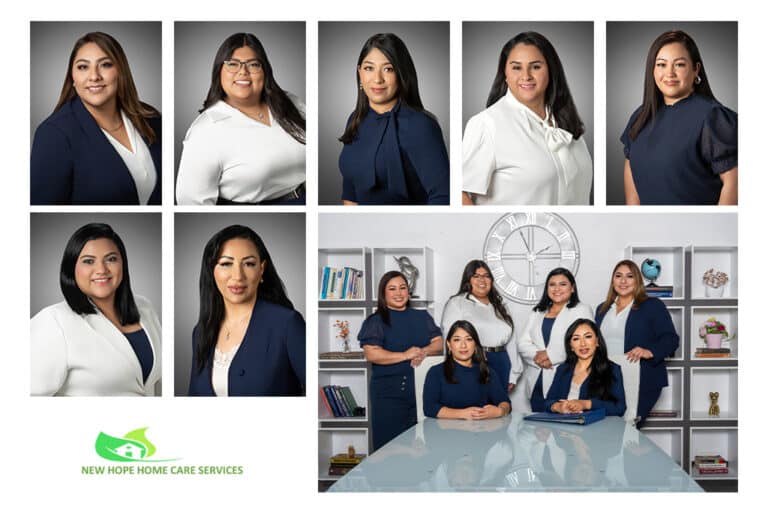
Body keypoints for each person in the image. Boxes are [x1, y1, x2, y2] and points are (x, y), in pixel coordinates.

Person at [31, 32, 162, 205]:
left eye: (105, 65)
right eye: (83, 67)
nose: (94, 76)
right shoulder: (53, 135)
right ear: (72, 77)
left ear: (121, 71)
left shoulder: (150, 117)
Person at [462, 31, 592, 205]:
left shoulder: (567, 124)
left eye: (536, 67)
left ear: (551, 71)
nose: (526, 76)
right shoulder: (486, 124)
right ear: (505, 73)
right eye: (516, 67)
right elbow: (460, 194)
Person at [31, 223, 161, 396]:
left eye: (111, 259)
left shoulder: (145, 307)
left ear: (123, 264)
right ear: (72, 268)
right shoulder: (52, 321)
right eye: (88, 261)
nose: (101, 270)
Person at [176, 33, 306, 205]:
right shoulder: (206, 131)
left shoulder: (291, 103)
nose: (243, 71)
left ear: (264, 70)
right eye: (232, 64)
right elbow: (191, 203)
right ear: (219, 71)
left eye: (253, 64)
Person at [621, 30, 737, 205]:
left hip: (699, 228)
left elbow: (734, 182)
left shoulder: (712, 117)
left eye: (679, 65)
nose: (670, 73)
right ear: (652, 69)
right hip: (647, 227)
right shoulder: (640, 115)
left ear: (695, 69)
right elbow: (631, 168)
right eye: (661, 65)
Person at [188, 225, 305, 396]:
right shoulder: (200, 332)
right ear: (211, 270)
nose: (238, 276)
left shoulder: (287, 324)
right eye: (226, 264)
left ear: (262, 269)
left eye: (249, 264)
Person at [338, 33, 449, 205]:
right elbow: (350, 191)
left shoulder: (421, 126)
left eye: (388, 69)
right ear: (360, 72)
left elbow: (443, 196)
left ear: (401, 74)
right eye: (369, 68)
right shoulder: (355, 119)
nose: (377, 79)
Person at [358, 271, 443, 450]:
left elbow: (439, 343)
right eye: (392, 289)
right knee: (390, 448)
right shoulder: (376, 321)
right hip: (389, 396)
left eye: (403, 288)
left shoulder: (422, 317)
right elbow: (372, 354)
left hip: (421, 393)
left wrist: (423, 352)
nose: (399, 293)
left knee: (424, 448)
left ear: (408, 291)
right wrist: (405, 355)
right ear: (383, 293)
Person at [595, 260, 679, 424]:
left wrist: (649, 351)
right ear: (613, 281)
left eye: (629, 276)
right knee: (607, 431)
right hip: (606, 380)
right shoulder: (602, 309)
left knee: (629, 430)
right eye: (618, 276)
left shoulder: (652, 305)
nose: (623, 281)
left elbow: (671, 339)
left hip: (642, 378)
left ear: (637, 281)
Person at [515, 267, 593, 412]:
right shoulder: (537, 312)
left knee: (563, 429)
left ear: (572, 288)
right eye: (552, 284)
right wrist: (538, 357)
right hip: (536, 378)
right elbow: (523, 343)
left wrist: (550, 356)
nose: (557, 289)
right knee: (537, 429)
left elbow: (588, 344)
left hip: (564, 378)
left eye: (562, 284)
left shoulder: (581, 310)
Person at [440, 260, 521, 393]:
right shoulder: (457, 303)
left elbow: (512, 341)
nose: (482, 280)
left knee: (500, 408)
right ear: (468, 280)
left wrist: (514, 374)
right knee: (476, 408)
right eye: (476, 276)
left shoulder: (500, 305)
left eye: (486, 276)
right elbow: (449, 340)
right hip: (473, 362)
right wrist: (453, 370)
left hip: (501, 362)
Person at [423, 320, 511, 419]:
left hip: (481, 430)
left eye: (469, 339)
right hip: (447, 431)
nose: (463, 345)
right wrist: (463, 414)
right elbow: (429, 408)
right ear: (449, 345)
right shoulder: (436, 372)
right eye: (457, 340)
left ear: (475, 344)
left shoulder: (487, 371)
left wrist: (500, 411)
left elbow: (505, 402)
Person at [542, 319, 626, 417]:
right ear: (571, 346)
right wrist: (557, 407)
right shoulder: (563, 369)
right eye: (576, 339)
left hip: (595, 428)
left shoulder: (612, 369)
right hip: (563, 427)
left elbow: (619, 408)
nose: (583, 344)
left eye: (588, 337)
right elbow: (547, 402)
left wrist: (585, 404)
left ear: (597, 341)